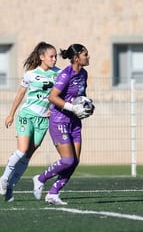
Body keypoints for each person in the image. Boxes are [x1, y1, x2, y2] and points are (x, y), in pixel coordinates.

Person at [0, 41, 60, 202]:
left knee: (27, 156)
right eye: (51, 56)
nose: (54, 59)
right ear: (42, 57)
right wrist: (11, 114)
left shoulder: (59, 74)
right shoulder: (30, 74)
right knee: (22, 149)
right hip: (27, 114)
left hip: (43, 120)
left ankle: (11, 186)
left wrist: (52, 109)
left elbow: (61, 95)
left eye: (56, 56)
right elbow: (20, 94)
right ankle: (4, 178)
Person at [32, 43, 93, 205]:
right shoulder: (66, 74)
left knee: (75, 161)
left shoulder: (84, 74)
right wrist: (72, 107)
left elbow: (80, 95)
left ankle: (53, 193)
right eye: (85, 54)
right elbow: (53, 97)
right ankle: (40, 178)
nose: (88, 57)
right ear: (76, 58)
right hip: (59, 120)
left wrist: (85, 105)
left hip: (74, 122)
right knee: (67, 160)